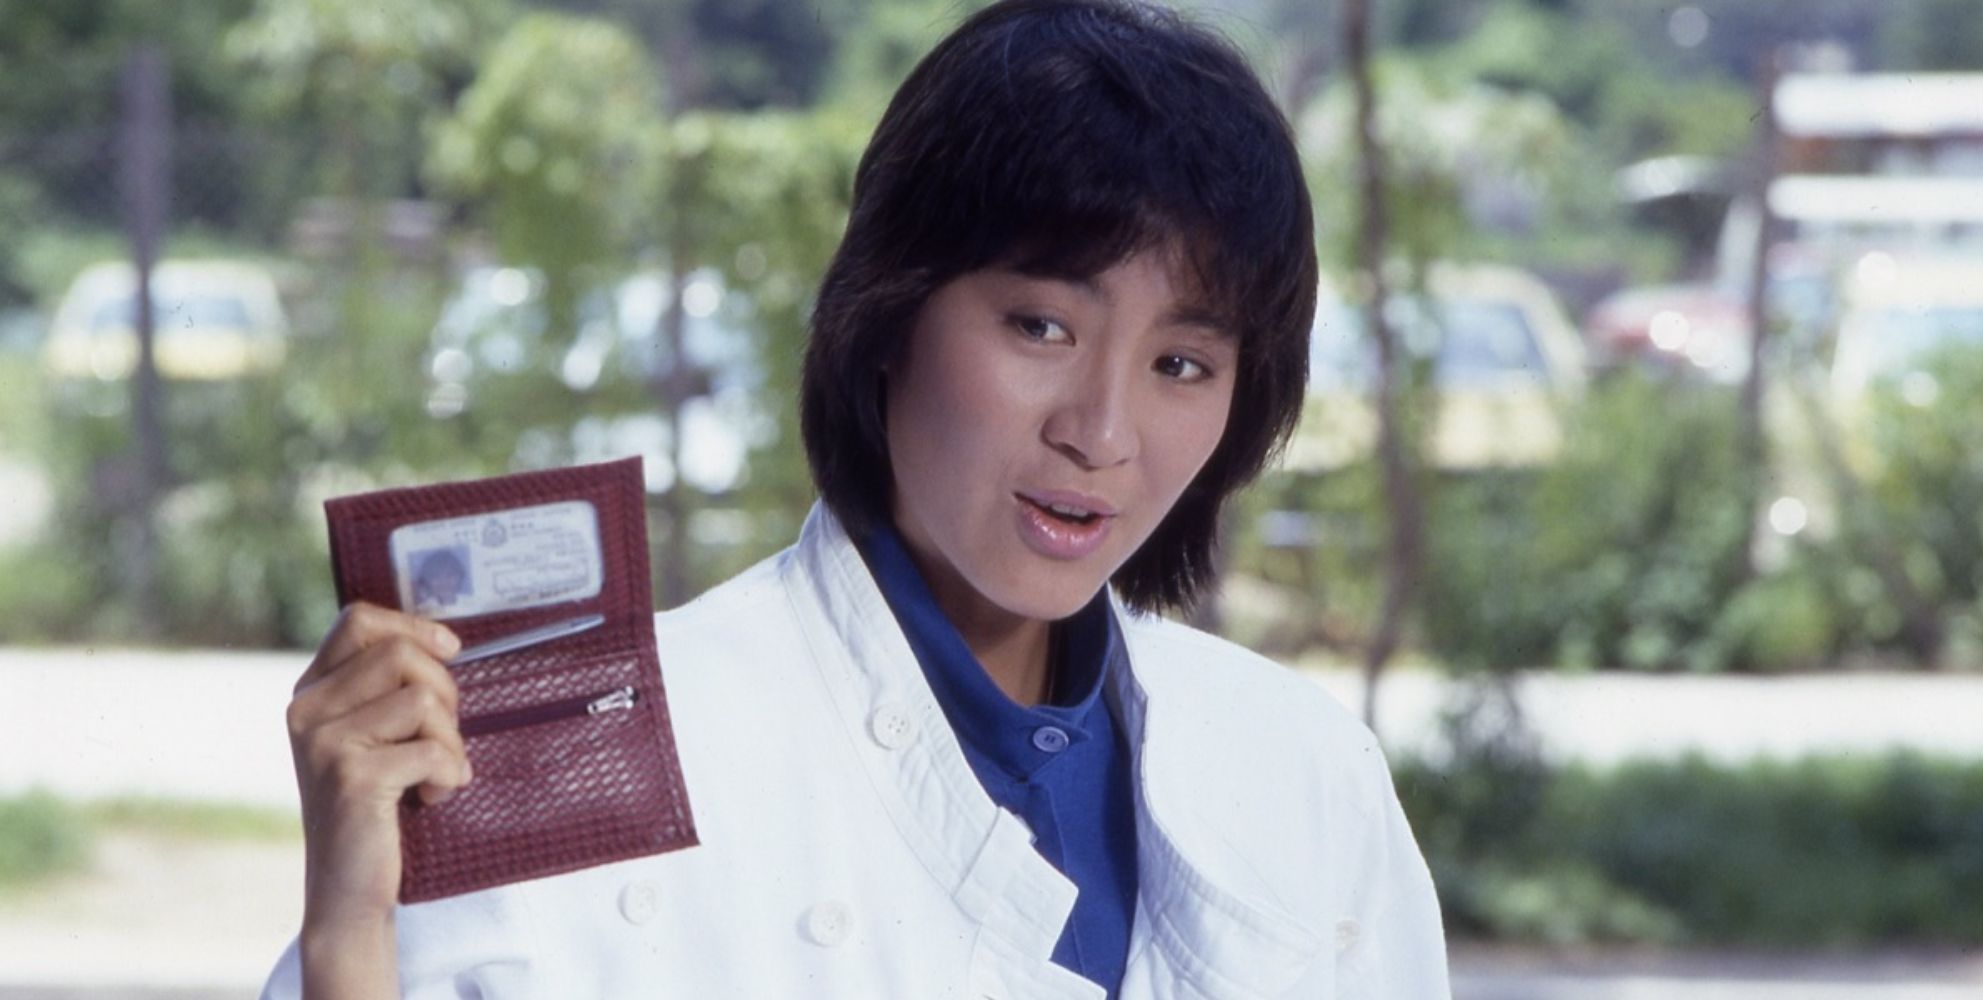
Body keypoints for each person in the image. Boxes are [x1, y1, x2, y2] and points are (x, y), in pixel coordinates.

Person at [264, 0, 1451, 996]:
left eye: (1179, 365)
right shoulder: (584, 742)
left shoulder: (1300, 768)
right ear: (889, 312)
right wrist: (349, 937)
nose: (1098, 431)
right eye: (1039, 325)